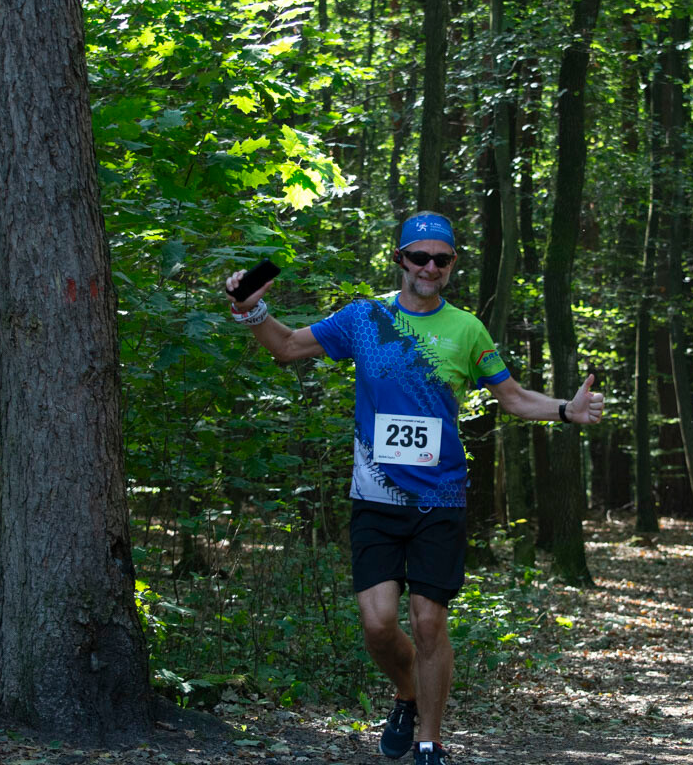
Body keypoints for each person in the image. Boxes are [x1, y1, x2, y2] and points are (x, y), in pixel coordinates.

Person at [225, 211, 604, 765]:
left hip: (440, 500)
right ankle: (405, 694)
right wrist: (250, 307)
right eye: (419, 256)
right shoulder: (365, 318)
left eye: (441, 259)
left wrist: (566, 411)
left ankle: (431, 741)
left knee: (428, 623)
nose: (430, 267)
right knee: (379, 628)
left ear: (452, 266)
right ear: (400, 258)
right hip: (374, 498)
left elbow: (514, 398)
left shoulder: (467, 329)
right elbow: (285, 346)